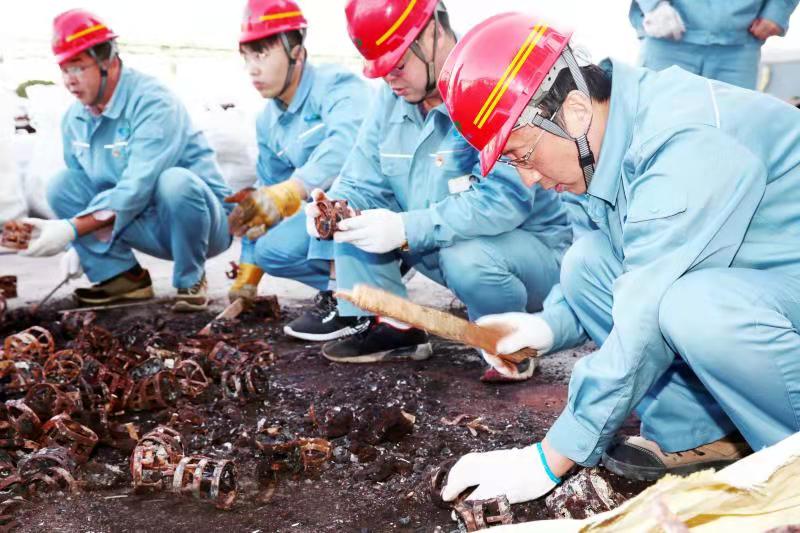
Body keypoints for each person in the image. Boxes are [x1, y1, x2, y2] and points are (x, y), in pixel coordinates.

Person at [437, 12, 800, 503]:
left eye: (522, 155)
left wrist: (550, 457)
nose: (528, 178)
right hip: (766, 285)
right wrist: (547, 326)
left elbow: (644, 312)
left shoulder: (682, 140)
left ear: (573, 110)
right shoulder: (597, 145)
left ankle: (790, 465)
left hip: (779, 281)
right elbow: (618, 267)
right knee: (586, 263)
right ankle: (701, 432)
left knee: (694, 307)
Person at [309, 0, 571, 381]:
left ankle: (511, 343)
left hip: (531, 254)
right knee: (353, 222)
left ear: (431, 31)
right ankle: (394, 327)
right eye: (381, 70)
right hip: (439, 242)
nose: (390, 79)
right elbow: (360, 180)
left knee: (464, 257)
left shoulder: (487, 77)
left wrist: (406, 228)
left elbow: (503, 201)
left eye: (398, 64)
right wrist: (330, 207)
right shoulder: (394, 96)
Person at [19, 9, 232, 312]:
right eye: (64, 70)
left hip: (199, 224)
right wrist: (82, 245)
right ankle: (122, 278)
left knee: (175, 182)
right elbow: (80, 185)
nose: (69, 81)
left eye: (78, 67)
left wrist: (73, 229)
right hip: (137, 220)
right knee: (61, 186)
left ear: (108, 61)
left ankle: (190, 278)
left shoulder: (153, 102)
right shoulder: (75, 119)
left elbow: (138, 187)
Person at [227, 0, 371, 341]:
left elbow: (347, 144)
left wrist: (295, 188)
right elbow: (266, 194)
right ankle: (365, 287)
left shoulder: (338, 87)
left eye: (262, 55)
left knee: (333, 192)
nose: (252, 69)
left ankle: (354, 297)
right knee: (270, 250)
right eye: (246, 57)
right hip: (335, 232)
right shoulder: (267, 121)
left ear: (297, 52)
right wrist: (248, 271)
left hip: (375, 214)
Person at [630, 0, 799, 89]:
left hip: (739, 44)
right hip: (667, 37)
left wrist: (777, 11)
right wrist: (653, 5)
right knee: (656, 126)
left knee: (733, 131)